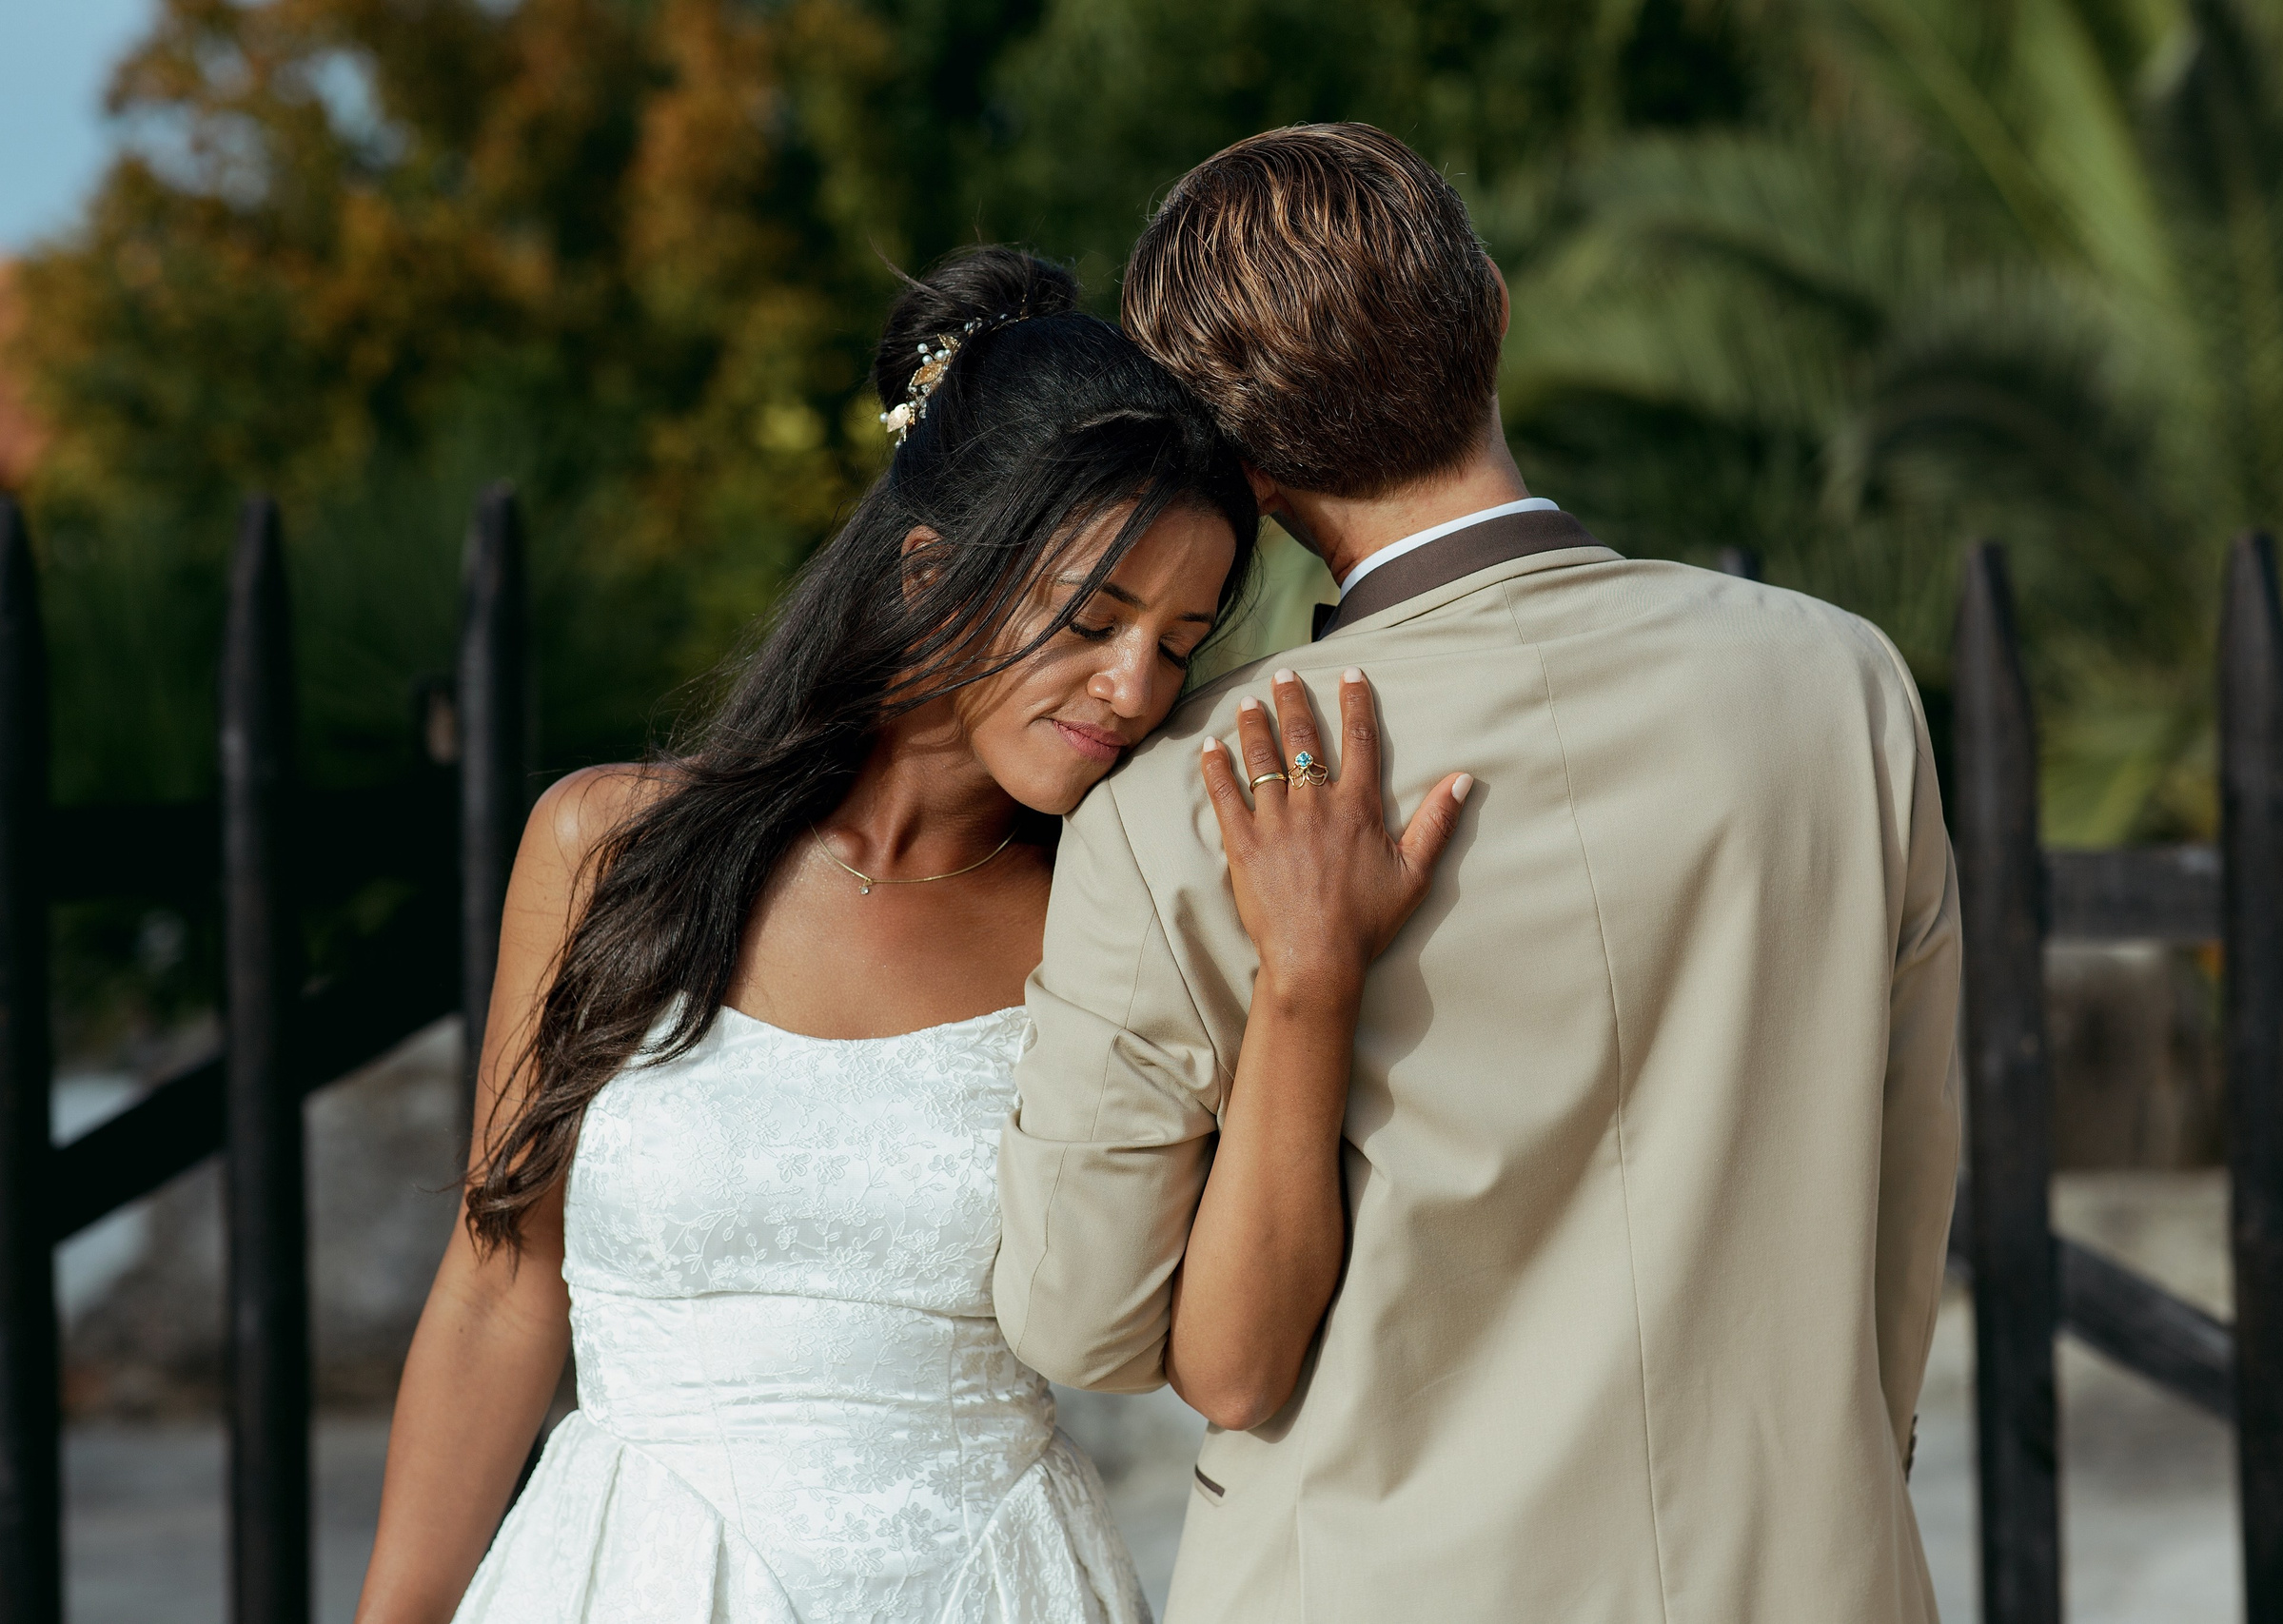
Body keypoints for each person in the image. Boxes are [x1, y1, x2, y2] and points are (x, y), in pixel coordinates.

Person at [353, 245, 1469, 1624]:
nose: (1134, 688)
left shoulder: (1116, 921)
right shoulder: (609, 848)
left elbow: (1234, 1368)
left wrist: (1308, 978)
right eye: (1095, 618)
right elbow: (500, 1285)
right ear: (935, 570)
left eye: (1180, 643)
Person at [994, 124, 1964, 1623]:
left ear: (1239, 465)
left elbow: (1082, 1314)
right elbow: (1909, 1176)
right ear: (1495, 313)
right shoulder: (1841, 685)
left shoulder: (1185, 799)